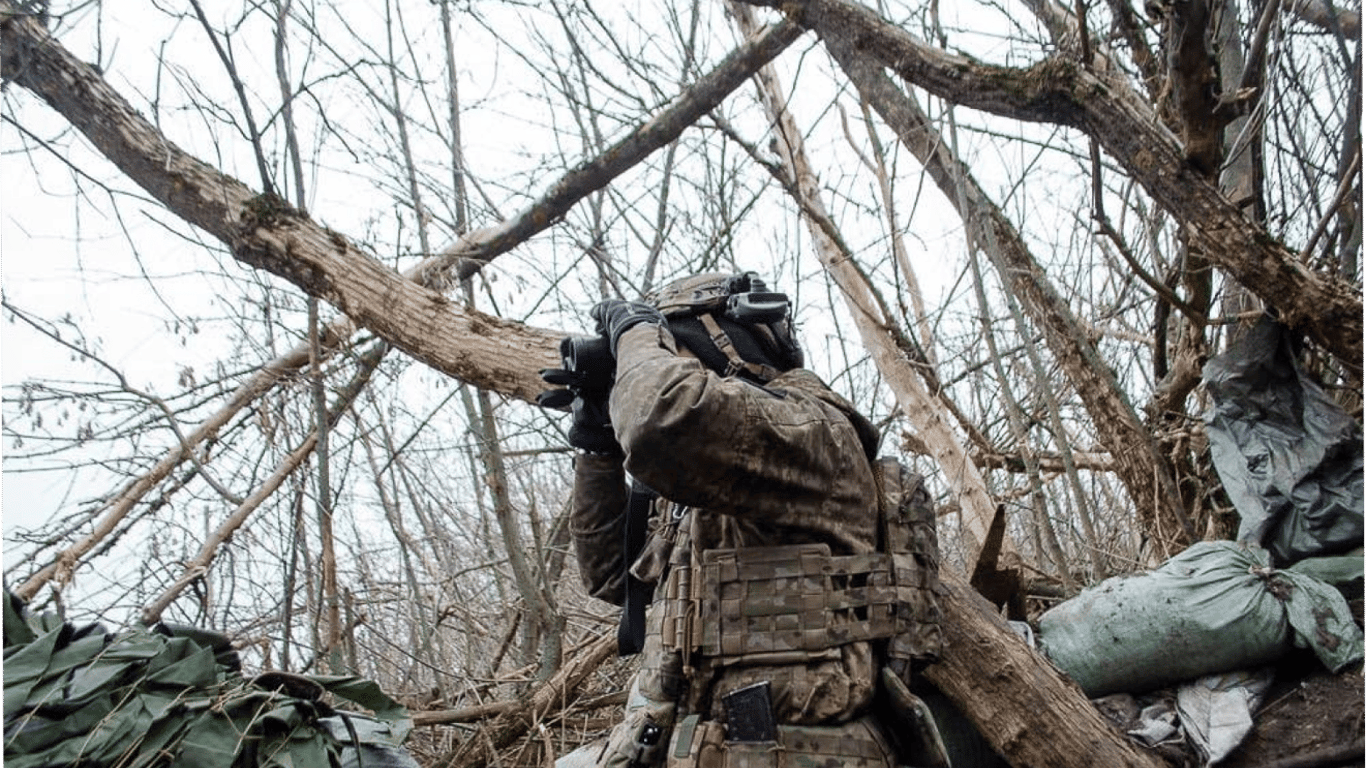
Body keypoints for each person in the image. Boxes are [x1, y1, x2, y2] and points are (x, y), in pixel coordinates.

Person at [543, 271, 944, 768]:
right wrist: (597, 446)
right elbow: (611, 576)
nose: (654, 366)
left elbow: (657, 418)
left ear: (723, 346)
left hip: (800, 751)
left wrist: (635, 331)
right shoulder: (713, 492)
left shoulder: (810, 430)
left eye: (671, 353)